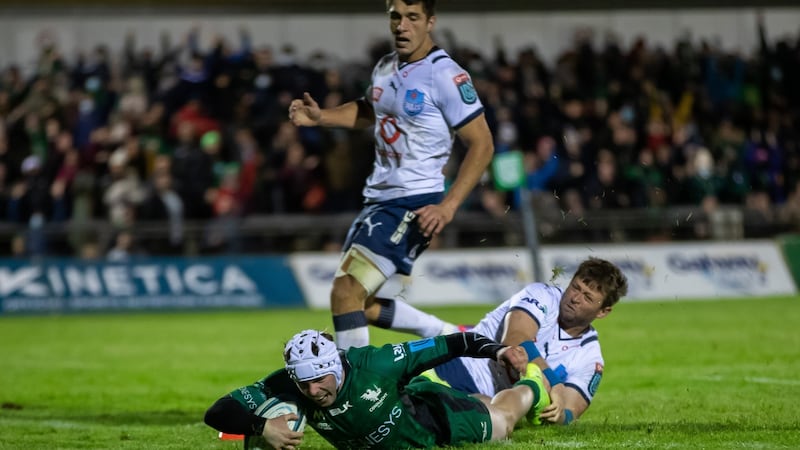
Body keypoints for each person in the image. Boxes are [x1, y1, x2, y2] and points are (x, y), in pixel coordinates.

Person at [288, 0, 495, 349]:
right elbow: (371, 111)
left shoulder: (445, 74)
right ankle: (454, 338)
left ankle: (354, 389)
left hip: (413, 202)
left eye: (412, 17)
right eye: (395, 17)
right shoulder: (386, 66)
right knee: (362, 305)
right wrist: (321, 117)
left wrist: (449, 206)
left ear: (430, 21)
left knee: (346, 292)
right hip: (378, 200)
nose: (402, 26)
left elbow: (483, 144)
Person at [204, 329, 550, 449]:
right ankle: (421, 387)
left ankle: (533, 384)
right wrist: (262, 426)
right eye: (303, 383)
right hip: (404, 404)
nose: (311, 391)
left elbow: (456, 342)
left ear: (335, 366)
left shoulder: (379, 364)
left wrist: (500, 351)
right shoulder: (288, 384)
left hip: (435, 421)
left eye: (319, 380)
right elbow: (217, 412)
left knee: (504, 421)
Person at [420, 257, 628, 426]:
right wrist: (553, 382)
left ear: (603, 312)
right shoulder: (541, 295)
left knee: (479, 420)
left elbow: (572, 409)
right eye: (575, 287)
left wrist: (558, 415)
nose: (575, 298)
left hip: (493, 401)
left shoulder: (590, 358)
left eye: (587, 297)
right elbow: (515, 339)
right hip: (457, 365)